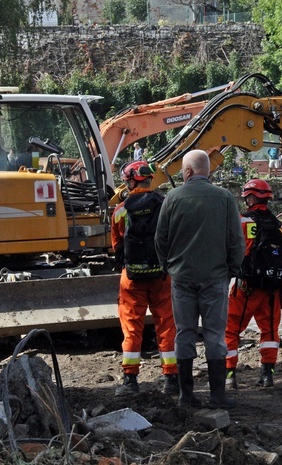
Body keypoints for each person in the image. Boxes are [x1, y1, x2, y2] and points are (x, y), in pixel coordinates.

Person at [155, 150, 245, 409]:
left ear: (187, 172)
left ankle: (186, 395)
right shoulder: (225, 198)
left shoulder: (172, 197)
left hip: (182, 277)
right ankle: (217, 395)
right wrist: (232, 269)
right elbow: (236, 241)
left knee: (184, 333)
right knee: (215, 335)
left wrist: (169, 266)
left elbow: (160, 239)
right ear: (208, 171)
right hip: (215, 277)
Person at [112, 161, 178, 396]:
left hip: (131, 279)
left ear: (130, 181)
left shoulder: (120, 210)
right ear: (150, 179)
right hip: (162, 276)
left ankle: (130, 380)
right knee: (167, 327)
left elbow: (117, 244)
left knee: (131, 328)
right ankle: (171, 378)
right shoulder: (166, 205)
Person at [225, 179, 282, 390]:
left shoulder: (240, 222)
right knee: (270, 331)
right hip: (272, 288)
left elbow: (230, 252)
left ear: (251, 198)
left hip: (246, 286)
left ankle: (229, 377)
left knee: (231, 330)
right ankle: (267, 375)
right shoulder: (279, 227)